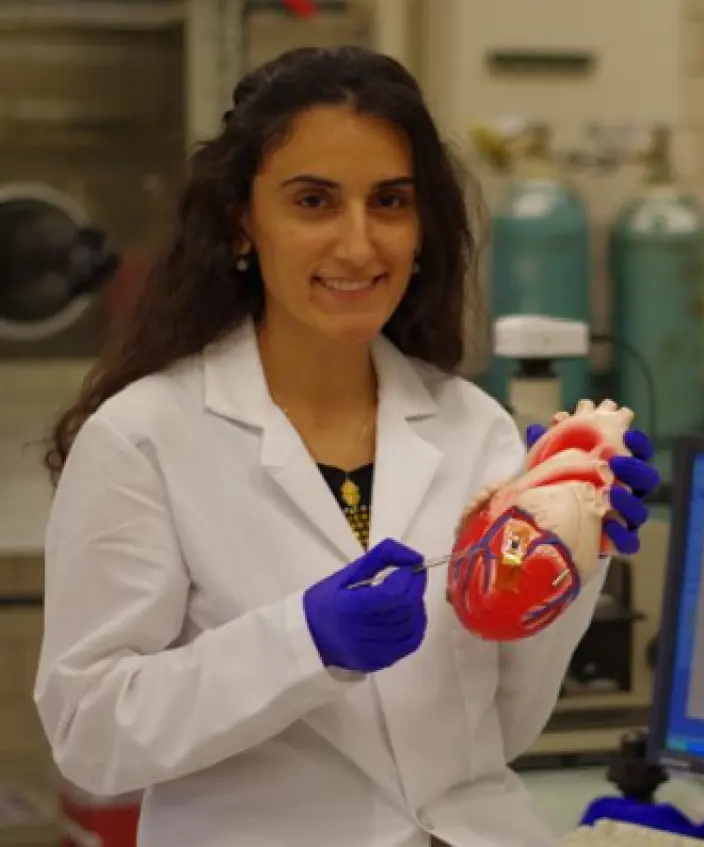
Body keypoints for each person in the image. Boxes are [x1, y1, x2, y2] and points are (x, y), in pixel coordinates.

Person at [33, 46, 659, 847]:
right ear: (242, 223)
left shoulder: (474, 427)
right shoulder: (144, 438)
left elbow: (501, 729)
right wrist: (303, 641)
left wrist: (568, 547)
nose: (359, 246)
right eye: (314, 201)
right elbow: (90, 733)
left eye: (389, 201)